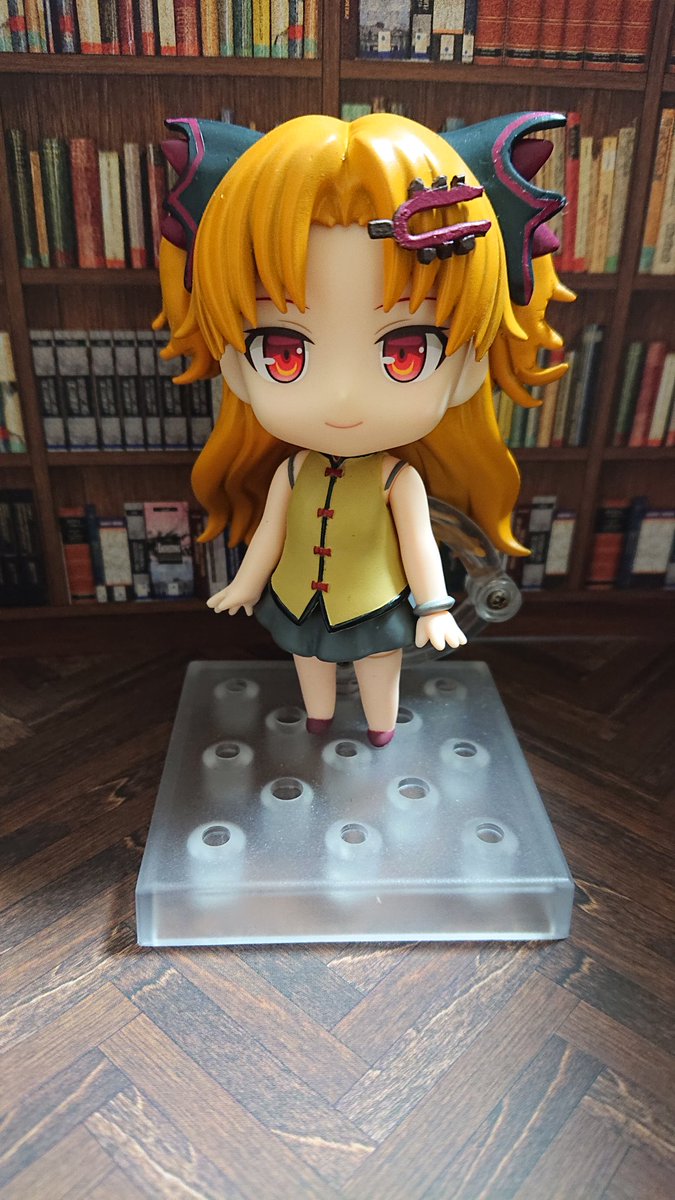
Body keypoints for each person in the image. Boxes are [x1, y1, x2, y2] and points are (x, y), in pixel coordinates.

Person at [154, 112, 573, 744]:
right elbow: (269, 534)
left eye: (406, 353)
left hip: (375, 602)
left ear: (468, 370)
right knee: (307, 660)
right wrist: (244, 582)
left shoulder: (397, 479)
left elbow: (420, 545)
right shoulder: (292, 471)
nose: (343, 397)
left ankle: (380, 725)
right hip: (298, 598)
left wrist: (434, 608)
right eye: (284, 354)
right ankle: (319, 715)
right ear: (235, 369)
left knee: (381, 664)